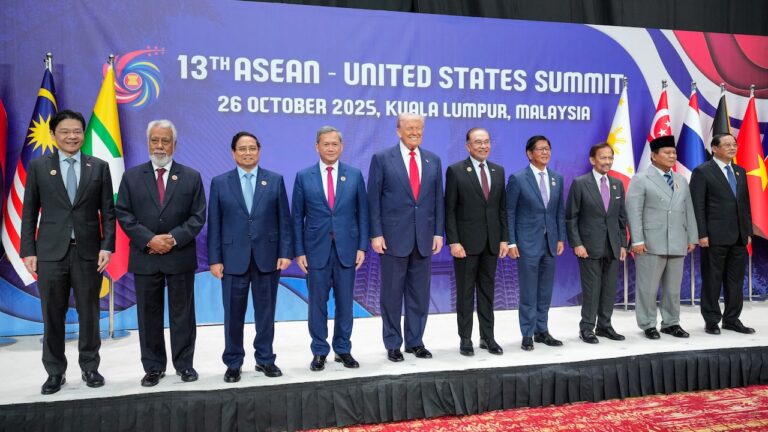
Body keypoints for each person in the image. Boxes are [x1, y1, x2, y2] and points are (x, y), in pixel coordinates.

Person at [20, 110, 115, 394]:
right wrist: (29, 250)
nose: (71, 136)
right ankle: (55, 372)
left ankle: (90, 367)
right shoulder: (39, 166)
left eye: (76, 131)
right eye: (65, 131)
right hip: (50, 253)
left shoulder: (98, 167)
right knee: (52, 314)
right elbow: (28, 212)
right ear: (53, 135)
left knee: (90, 313)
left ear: (83, 134)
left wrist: (107, 246)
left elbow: (108, 212)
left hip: (88, 252)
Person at [116, 119, 206, 386]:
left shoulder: (191, 176)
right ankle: (154, 367)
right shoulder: (132, 177)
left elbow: (198, 216)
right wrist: (149, 240)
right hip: (146, 256)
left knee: (183, 314)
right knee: (148, 315)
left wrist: (173, 239)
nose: (159, 145)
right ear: (148, 143)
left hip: (179, 256)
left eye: (165, 141)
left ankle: (184, 365)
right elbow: (123, 213)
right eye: (154, 140)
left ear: (174, 144)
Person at [208, 131, 292, 381]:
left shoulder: (274, 180)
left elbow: (284, 220)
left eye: (252, 148)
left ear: (259, 151)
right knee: (233, 314)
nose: (248, 153)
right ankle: (233, 362)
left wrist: (285, 252)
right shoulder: (220, 182)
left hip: (267, 258)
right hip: (232, 260)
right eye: (242, 148)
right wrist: (215, 259)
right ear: (233, 152)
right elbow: (215, 224)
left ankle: (265, 359)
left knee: (265, 314)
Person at [368, 113, 444, 362]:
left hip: (423, 238)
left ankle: (415, 341)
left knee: (419, 294)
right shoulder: (382, 159)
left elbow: (437, 200)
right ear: (398, 131)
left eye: (419, 128)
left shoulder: (433, 160)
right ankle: (393, 343)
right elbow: (373, 200)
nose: (415, 132)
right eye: (409, 128)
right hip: (392, 238)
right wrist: (376, 233)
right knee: (391, 295)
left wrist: (438, 232)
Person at [292, 126, 368, 371]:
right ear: (317, 147)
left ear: (341, 147)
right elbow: (297, 217)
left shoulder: (354, 175)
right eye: (326, 144)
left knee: (345, 303)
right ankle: (319, 351)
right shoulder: (304, 176)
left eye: (335, 144)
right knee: (317, 304)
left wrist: (362, 247)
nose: (331, 148)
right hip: (315, 251)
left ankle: (343, 349)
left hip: (347, 250)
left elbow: (363, 214)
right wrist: (299, 251)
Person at [626, 136, 697, 340]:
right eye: (667, 152)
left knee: (673, 289)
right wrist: (637, 240)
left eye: (674, 153)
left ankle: (671, 322)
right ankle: (648, 324)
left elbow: (688, 210)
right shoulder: (641, 179)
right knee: (648, 289)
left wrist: (691, 237)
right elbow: (634, 211)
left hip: (677, 239)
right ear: (654, 156)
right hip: (650, 242)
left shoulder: (681, 180)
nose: (672, 156)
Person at [445, 127, 508, 356]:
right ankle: (465, 339)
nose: (483, 146)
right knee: (465, 293)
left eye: (486, 142)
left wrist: (504, 239)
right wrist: (454, 241)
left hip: (491, 243)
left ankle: (487, 337)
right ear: (468, 146)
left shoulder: (498, 171)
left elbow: (502, 209)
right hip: (466, 245)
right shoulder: (456, 171)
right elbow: (449, 210)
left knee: (487, 292)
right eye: (478, 142)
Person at [689, 133, 755, 335]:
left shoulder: (740, 171)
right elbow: (697, 206)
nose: (732, 148)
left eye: (734, 144)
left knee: (736, 281)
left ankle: (732, 319)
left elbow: (744, 204)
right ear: (715, 148)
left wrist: (747, 231)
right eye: (727, 145)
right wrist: (701, 234)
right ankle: (711, 320)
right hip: (713, 237)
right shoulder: (702, 171)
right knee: (712, 280)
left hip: (739, 236)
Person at [506, 135, 565, 351]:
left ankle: (542, 330)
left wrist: (560, 237)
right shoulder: (518, 178)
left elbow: (559, 211)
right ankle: (527, 333)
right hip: (527, 243)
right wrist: (511, 242)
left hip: (550, 243)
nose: (545, 152)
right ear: (529, 154)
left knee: (545, 291)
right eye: (540, 149)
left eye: (548, 148)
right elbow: (509, 212)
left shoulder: (557, 178)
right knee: (529, 292)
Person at [565, 142, 627, 344]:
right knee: (592, 290)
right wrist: (577, 244)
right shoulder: (580, 183)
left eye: (610, 158)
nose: (607, 161)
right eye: (603, 157)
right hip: (588, 247)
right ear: (593, 160)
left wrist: (623, 244)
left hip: (613, 246)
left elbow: (621, 218)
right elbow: (571, 217)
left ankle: (605, 326)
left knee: (609, 289)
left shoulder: (617, 184)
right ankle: (587, 328)